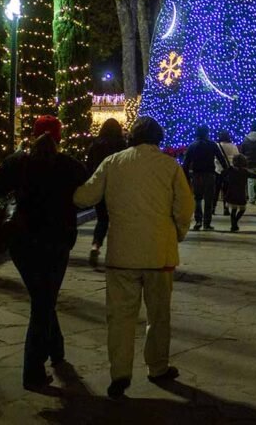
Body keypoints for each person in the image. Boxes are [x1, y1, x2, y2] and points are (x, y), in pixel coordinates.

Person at [73, 116, 194, 400]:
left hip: (122, 255)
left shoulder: (113, 163)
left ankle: (120, 374)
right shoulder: (169, 166)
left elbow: (84, 197)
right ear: (158, 138)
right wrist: (177, 232)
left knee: (120, 318)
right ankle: (157, 367)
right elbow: (185, 206)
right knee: (159, 315)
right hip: (159, 253)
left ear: (132, 137)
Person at [0, 115, 88, 392]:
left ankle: (56, 348)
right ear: (60, 137)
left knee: (42, 296)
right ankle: (32, 371)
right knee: (43, 301)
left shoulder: (17, 162)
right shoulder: (69, 165)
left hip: (23, 243)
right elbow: (88, 195)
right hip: (57, 240)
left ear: (33, 135)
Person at [86, 118, 127, 267]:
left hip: (101, 186)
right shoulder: (121, 144)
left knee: (102, 219)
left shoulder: (96, 144)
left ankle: (95, 246)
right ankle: (118, 253)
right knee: (118, 220)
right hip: (117, 187)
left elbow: (89, 166)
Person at [182, 125, 227, 230]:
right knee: (208, 200)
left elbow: (186, 164)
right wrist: (225, 171)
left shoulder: (192, 146)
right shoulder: (212, 145)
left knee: (197, 199)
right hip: (210, 174)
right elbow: (221, 159)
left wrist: (187, 178)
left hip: (197, 175)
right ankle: (207, 223)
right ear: (207, 133)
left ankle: (198, 221)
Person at [222, 154, 256, 232]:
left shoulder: (230, 170)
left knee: (233, 210)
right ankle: (235, 223)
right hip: (241, 192)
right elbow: (254, 176)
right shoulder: (244, 171)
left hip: (231, 191)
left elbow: (222, 174)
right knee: (242, 209)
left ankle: (233, 225)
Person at [213, 131, 239, 216]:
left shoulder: (217, 146)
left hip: (218, 170)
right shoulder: (233, 146)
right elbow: (237, 157)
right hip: (229, 171)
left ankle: (213, 208)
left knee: (216, 190)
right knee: (226, 191)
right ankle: (226, 208)